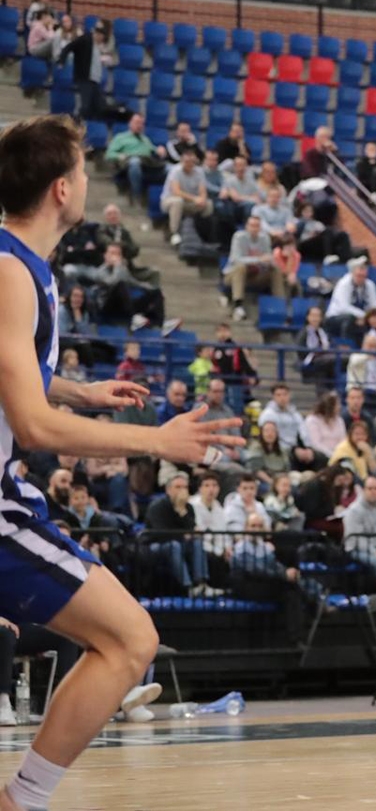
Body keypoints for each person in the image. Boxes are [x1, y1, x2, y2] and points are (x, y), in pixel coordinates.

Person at [0, 116, 242, 811]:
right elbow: (32, 424)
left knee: (124, 639)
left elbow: (18, 379)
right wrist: (155, 442)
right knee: (130, 638)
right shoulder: (11, 272)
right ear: (62, 188)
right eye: (83, 168)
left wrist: (80, 389)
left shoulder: (22, 266)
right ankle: (24, 798)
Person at [223, 215, 286, 321]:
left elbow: (268, 258)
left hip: (256, 275)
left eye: (257, 226)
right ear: (246, 226)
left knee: (275, 270)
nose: (254, 228)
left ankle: (280, 305)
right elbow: (235, 259)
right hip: (232, 275)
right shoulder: (239, 237)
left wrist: (268, 261)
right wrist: (259, 259)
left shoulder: (264, 238)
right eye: (252, 225)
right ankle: (238, 305)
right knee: (241, 267)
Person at [325, 257, 376, 341]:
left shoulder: (370, 285)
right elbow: (344, 307)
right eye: (359, 274)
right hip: (335, 317)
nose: (361, 276)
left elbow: (375, 305)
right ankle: (346, 346)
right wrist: (364, 316)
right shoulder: (344, 284)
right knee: (350, 319)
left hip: (361, 316)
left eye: (364, 274)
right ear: (352, 272)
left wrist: (372, 317)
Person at [258, 385, 304, 452]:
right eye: (278, 395)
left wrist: (308, 447)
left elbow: (303, 433)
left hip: (296, 447)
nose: (282, 398)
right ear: (273, 397)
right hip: (279, 449)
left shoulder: (295, 414)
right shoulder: (267, 415)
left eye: (285, 394)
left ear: (289, 396)